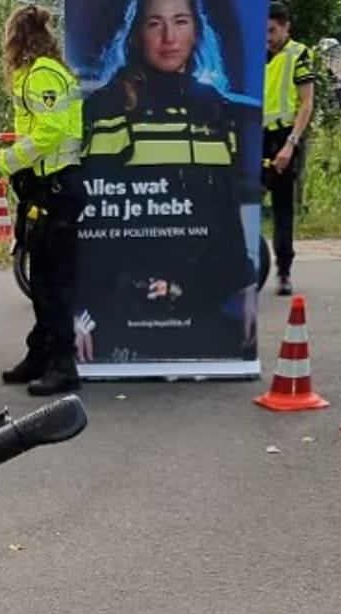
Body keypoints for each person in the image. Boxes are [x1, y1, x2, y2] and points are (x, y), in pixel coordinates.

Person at [75, 0, 259, 363]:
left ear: (196, 32)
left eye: (180, 22)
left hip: (206, 307)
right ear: (136, 35)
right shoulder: (109, 107)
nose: (169, 37)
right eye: (154, 24)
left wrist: (247, 288)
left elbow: (226, 211)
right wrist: (78, 311)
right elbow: (91, 215)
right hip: (124, 313)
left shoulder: (215, 108)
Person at [0, 5, 85, 396]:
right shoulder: (40, 72)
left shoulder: (42, 73)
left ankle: (63, 365)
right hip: (49, 188)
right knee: (44, 280)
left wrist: (9, 162)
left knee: (51, 283)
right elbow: (38, 133)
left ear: (17, 37)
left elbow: (51, 133)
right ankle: (41, 355)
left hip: (57, 188)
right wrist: (9, 160)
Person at [264, 1, 316, 296]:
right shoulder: (255, 56)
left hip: (285, 138)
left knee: (282, 207)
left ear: (286, 27)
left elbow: (306, 103)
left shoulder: (299, 55)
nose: (267, 38)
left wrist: (290, 145)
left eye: (272, 30)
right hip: (256, 137)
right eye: (263, 32)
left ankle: (284, 271)